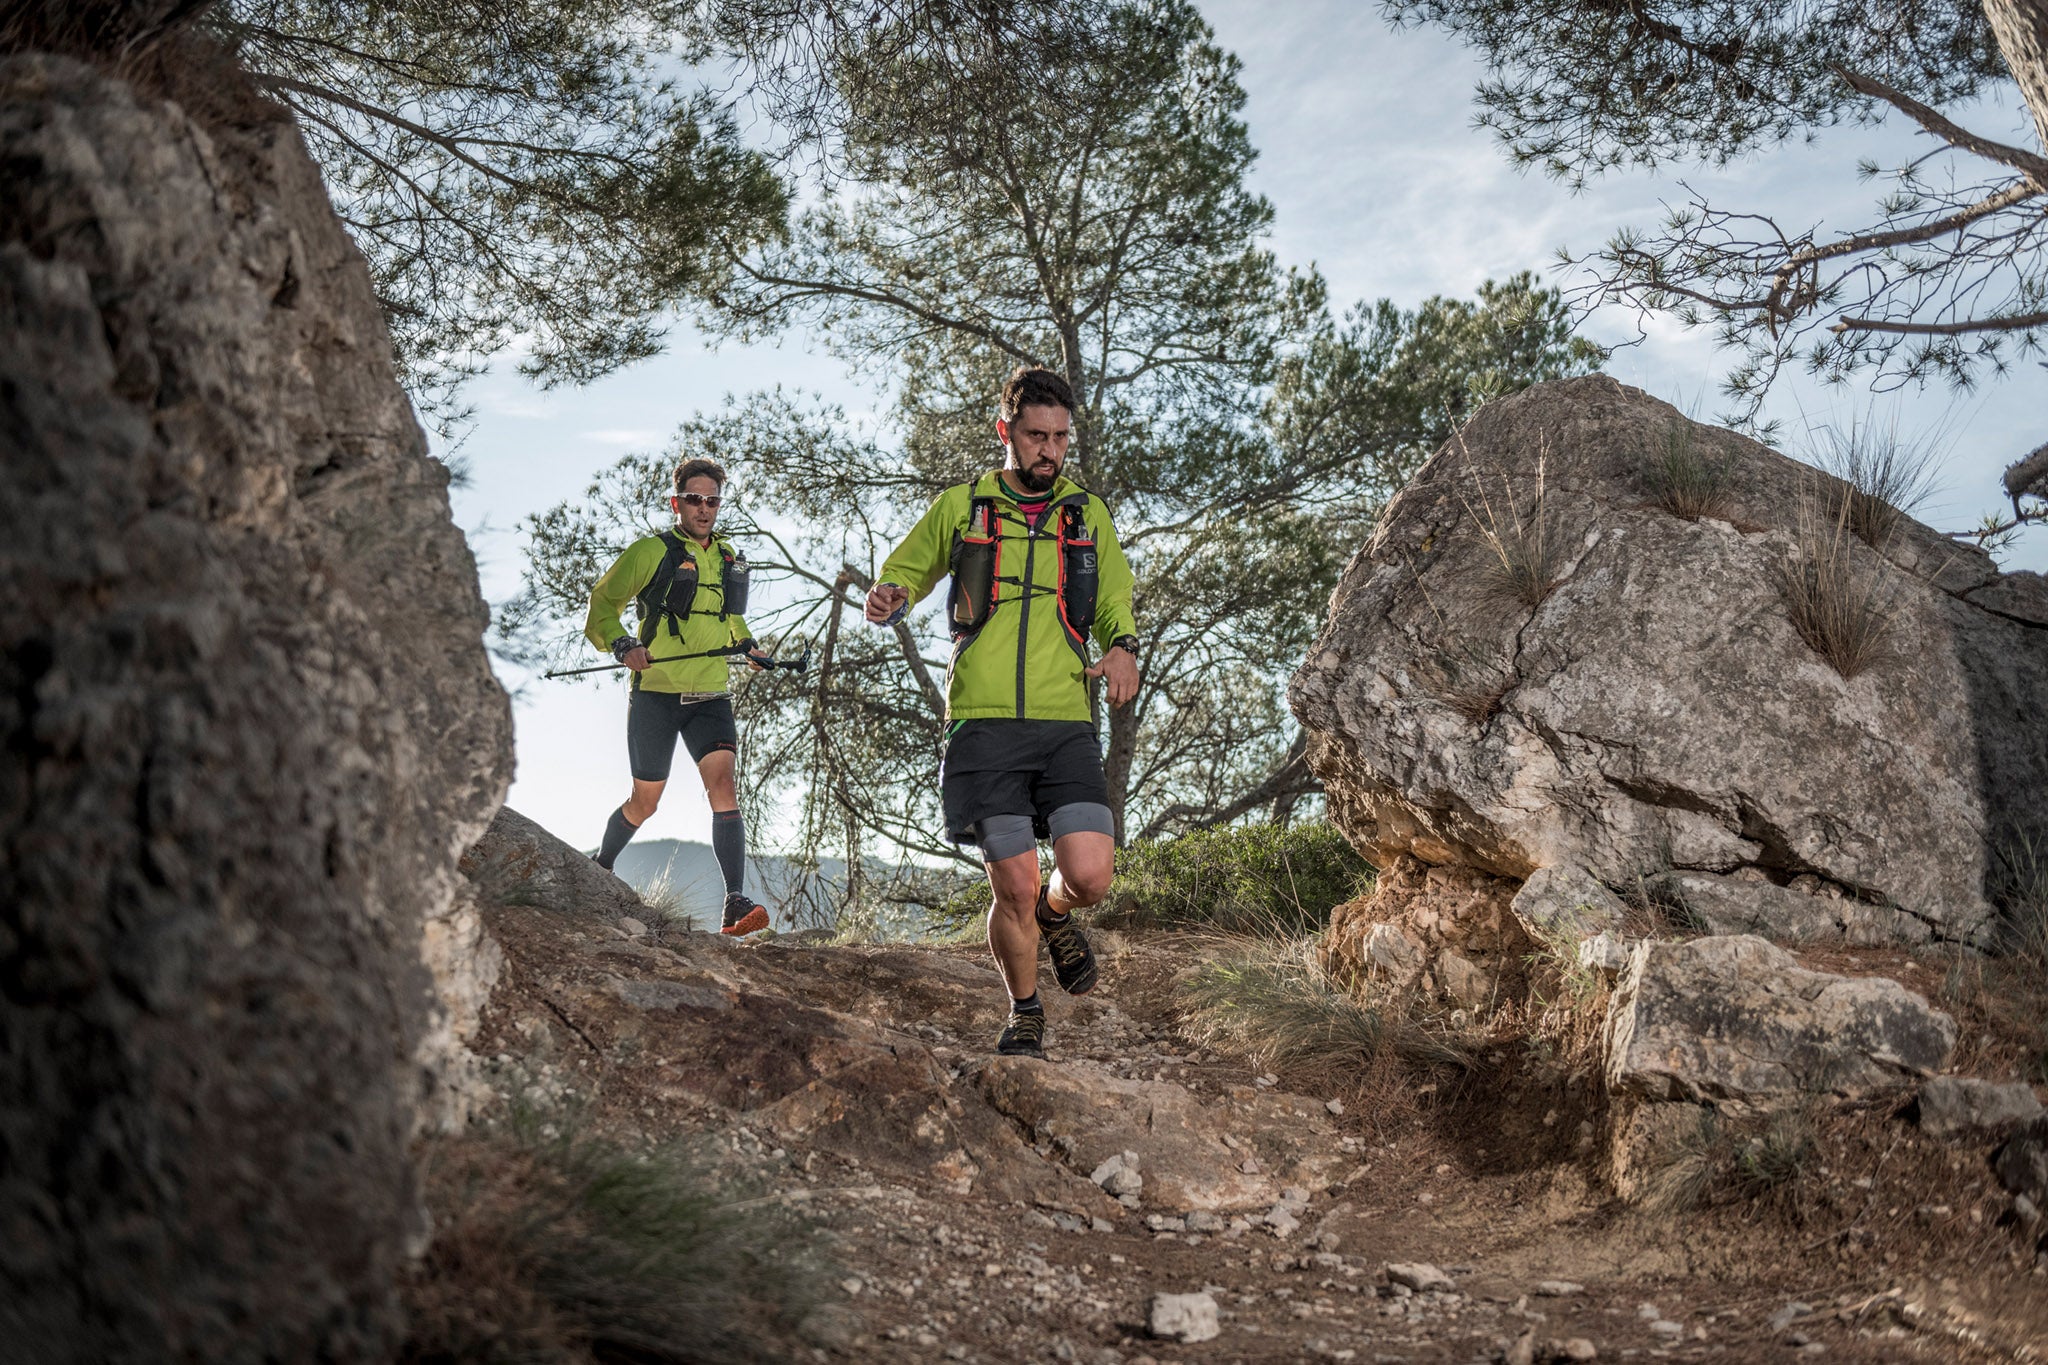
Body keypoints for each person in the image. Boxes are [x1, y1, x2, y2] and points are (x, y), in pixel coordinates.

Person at [866, 367, 1139, 1058]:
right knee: (1013, 883)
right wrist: (891, 592)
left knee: (1090, 875)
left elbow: (1113, 601)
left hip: (1064, 720)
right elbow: (909, 567)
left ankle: (1056, 914)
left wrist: (1124, 648)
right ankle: (1024, 1009)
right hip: (983, 724)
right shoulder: (963, 505)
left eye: (1060, 438)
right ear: (1005, 432)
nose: (1050, 450)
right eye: (1036, 436)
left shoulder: (1087, 513)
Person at [585, 456, 774, 935]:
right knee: (645, 802)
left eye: (712, 500)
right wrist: (623, 643)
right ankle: (599, 866)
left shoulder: (730, 556)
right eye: (694, 499)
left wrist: (749, 647)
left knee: (724, 787)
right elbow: (602, 605)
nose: (704, 508)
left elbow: (732, 620)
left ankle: (734, 901)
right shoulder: (652, 551)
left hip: (711, 693)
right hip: (657, 694)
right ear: (677, 502)